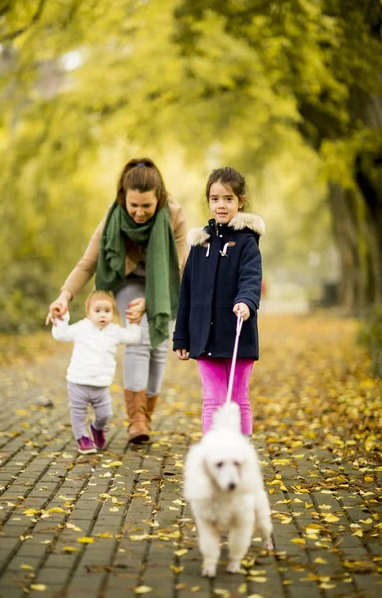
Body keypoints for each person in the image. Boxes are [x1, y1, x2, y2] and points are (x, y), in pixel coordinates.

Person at [46, 158, 187, 443]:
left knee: (159, 346)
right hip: (129, 282)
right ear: (123, 197)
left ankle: (145, 415)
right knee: (141, 335)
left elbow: (182, 266)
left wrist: (152, 300)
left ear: (158, 198)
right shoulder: (113, 218)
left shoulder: (174, 214)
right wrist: (64, 296)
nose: (139, 212)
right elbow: (87, 264)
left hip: (166, 285)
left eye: (146, 206)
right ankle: (136, 420)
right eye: (133, 205)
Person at [173, 166, 265, 436]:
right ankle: (214, 456)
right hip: (204, 337)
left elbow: (251, 278)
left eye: (228, 199)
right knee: (212, 400)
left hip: (238, 335)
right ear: (208, 201)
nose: (221, 205)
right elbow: (187, 291)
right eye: (215, 199)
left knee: (237, 400)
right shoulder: (200, 243)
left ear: (240, 201)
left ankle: (240, 453)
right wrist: (181, 337)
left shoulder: (247, 242)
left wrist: (246, 303)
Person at [52, 290, 141, 454]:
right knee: (78, 414)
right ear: (88, 313)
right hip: (78, 382)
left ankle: (97, 429)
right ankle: (82, 438)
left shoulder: (114, 331)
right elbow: (61, 334)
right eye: (97, 310)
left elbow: (132, 337)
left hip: (101, 385)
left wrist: (133, 322)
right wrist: (61, 319)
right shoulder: (81, 328)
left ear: (113, 313)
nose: (102, 315)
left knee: (105, 414)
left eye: (107, 311)